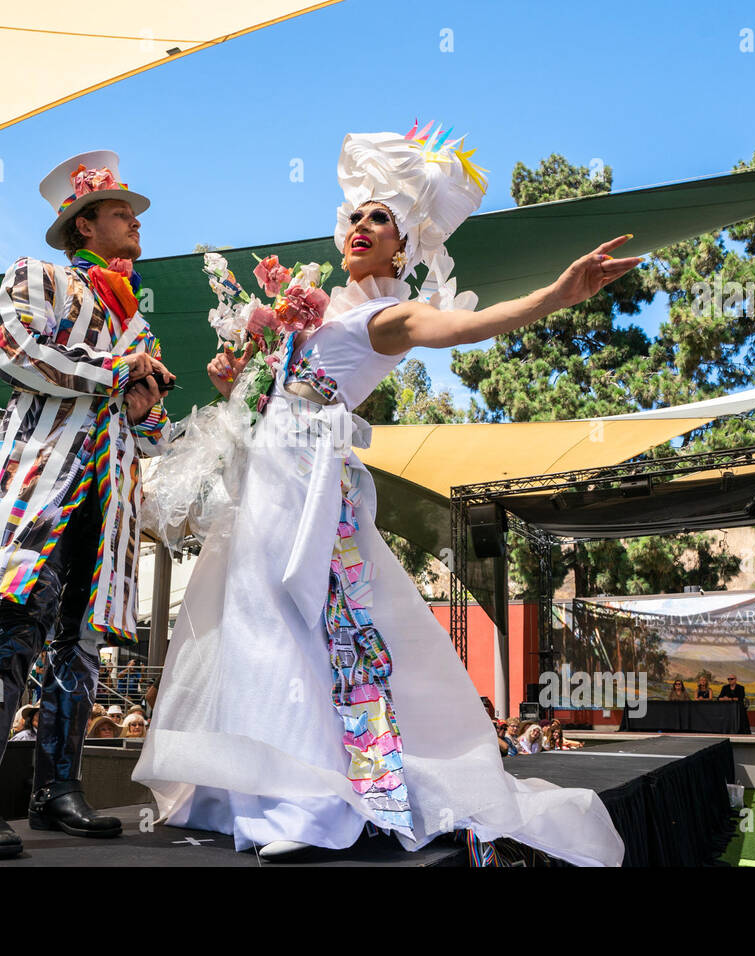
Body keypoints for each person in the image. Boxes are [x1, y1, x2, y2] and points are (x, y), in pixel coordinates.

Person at [133, 125, 633, 865]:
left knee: (284, 623)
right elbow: (263, 393)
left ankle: (305, 803)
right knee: (253, 625)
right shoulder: (316, 309)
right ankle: (248, 790)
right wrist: (234, 373)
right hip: (268, 475)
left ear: (403, 246)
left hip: (306, 488)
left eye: (380, 220)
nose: (361, 226)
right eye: (355, 216)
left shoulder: (385, 318)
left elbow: (465, 325)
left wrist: (553, 296)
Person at [0, 148, 173, 859]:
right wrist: (113, 372)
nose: (135, 222)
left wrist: (145, 399)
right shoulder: (36, 276)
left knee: (81, 646)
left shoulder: (136, 317)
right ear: (85, 224)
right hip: (43, 480)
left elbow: (152, 431)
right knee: (16, 628)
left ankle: (56, 789)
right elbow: (10, 350)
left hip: (109, 498)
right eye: (122, 212)